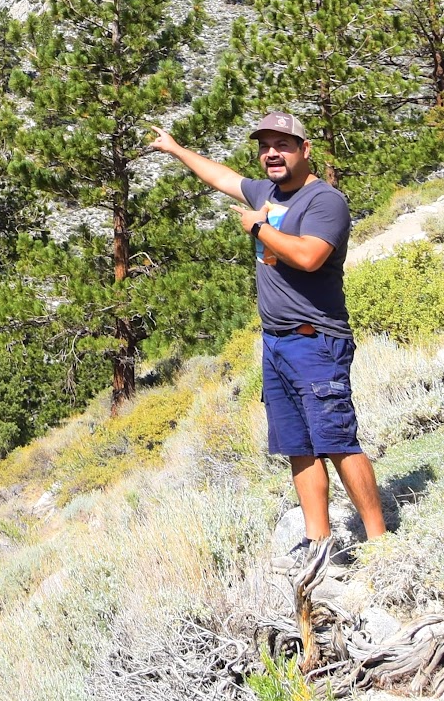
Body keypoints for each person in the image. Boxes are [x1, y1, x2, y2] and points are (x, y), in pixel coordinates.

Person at [150, 113, 386, 564]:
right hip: (277, 343)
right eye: (265, 146)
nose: (273, 153)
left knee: (337, 440)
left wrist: (258, 228)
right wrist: (177, 150)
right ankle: (318, 544)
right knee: (298, 446)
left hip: (316, 339)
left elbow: (310, 256)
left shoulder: (325, 201)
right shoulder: (268, 191)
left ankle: (381, 543)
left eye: (284, 144)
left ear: (305, 149)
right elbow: (224, 178)